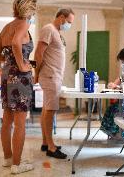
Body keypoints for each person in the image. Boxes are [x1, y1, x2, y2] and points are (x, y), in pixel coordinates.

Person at [0, 0, 36, 174]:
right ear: (28, 9)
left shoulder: (7, 27)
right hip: (20, 77)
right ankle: (17, 165)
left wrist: (10, 61)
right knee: (19, 123)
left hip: (6, 75)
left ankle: (8, 158)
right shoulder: (24, 23)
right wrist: (22, 64)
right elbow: (17, 43)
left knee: (7, 121)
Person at [34, 8, 75, 159]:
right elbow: (38, 53)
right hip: (50, 76)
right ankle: (51, 147)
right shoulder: (48, 29)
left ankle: (46, 143)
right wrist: (36, 73)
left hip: (54, 76)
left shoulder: (57, 32)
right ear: (62, 18)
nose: (69, 25)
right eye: (69, 22)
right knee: (50, 111)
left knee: (46, 109)